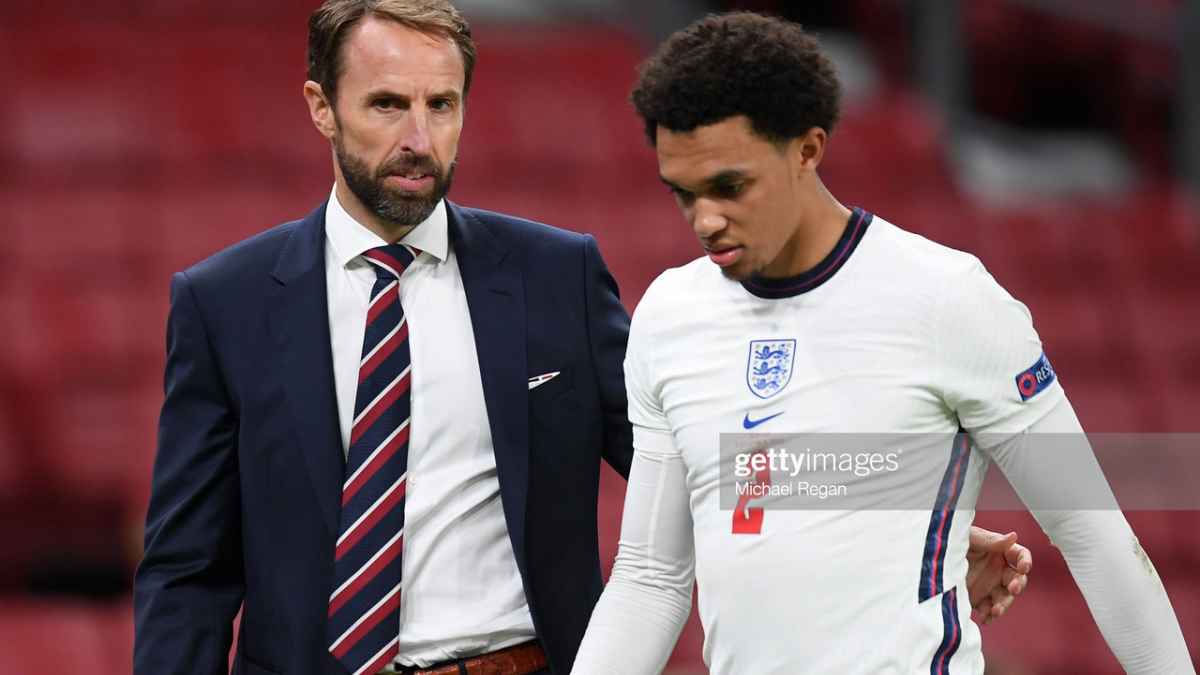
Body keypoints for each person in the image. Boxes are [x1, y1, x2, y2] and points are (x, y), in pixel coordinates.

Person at [133, 3, 1034, 675]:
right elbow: (187, 570)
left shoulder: (554, 276)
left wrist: (910, 523)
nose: (419, 137)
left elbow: (690, 460)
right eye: (387, 104)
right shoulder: (226, 302)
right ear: (321, 107)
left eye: (443, 105)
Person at [571, 11, 1194, 675]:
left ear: (807, 150)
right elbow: (649, 578)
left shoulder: (948, 297)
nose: (706, 219)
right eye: (683, 194)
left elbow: (1092, 535)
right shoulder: (670, 314)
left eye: (730, 186)